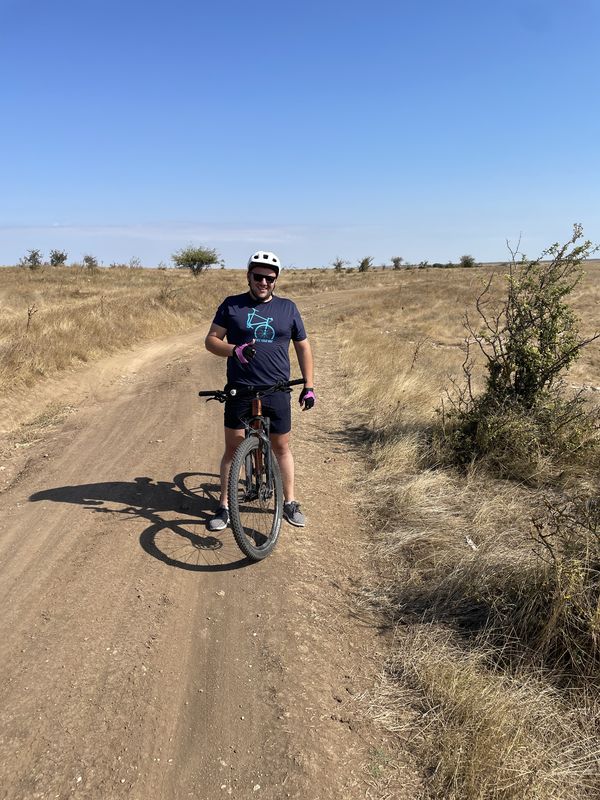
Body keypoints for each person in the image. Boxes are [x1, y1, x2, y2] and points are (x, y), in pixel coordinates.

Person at [204, 250, 315, 531]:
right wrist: (234, 350)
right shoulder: (232, 306)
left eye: (270, 278)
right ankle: (225, 506)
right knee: (233, 448)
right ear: (249, 276)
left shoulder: (288, 308)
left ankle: (289, 501)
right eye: (258, 276)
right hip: (240, 390)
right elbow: (211, 341)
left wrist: (309, 386)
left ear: (276, 280)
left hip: (276, 390)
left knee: (281, 447)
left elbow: (303, 347)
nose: (264, 282)